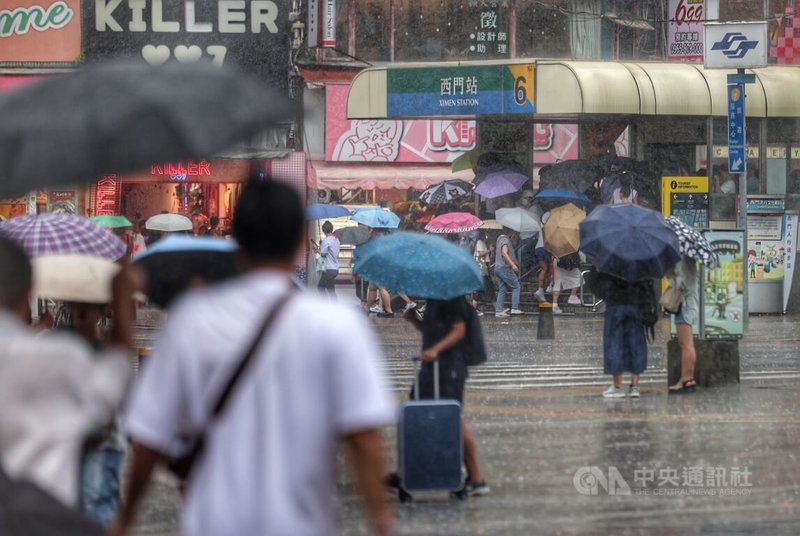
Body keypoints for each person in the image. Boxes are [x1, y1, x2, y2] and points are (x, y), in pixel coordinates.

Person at [111, 180, 395, 536]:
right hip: (301, 523)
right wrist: (381, 521)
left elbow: (150, 437)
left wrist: (127, 517)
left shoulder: (193, 319)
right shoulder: (336, 324)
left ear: (238, 243)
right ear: (298, 243)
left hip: (213, 521)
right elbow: (363, 436)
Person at [0, 237, 136, 509]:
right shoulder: (61, 357)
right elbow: (113, 382)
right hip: (43, 517)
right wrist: (121, 304)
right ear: (28, 295)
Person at [402, 295, 489, 496]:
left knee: (453, 419)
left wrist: (435, 350)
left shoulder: (452, 298)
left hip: (450, 368)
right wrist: (414, 319)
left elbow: (459, 331)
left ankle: (476, 479)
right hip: (431, 369)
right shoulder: (434, 299)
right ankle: (423, 468)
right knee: (421, 413)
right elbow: (433, 332)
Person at [54, 301, 127, 527]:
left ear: (103, 311)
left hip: (102, 444)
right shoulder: (59, 343)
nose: (80, 315)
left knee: (98, 507)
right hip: (70, 441)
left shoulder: (109, 346)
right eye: (76, 309)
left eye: (87, 309)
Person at [585, 267, 656, 399]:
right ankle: (635, 386)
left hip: (615, 303)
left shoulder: (610, 258)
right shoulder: (640, 259)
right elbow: (647, 284)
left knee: (614, 343)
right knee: (636, 344)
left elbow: (593, 278)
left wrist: (607, 293)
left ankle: (617, 386)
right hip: (635, 304)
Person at [668, 256, 699, 394]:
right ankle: (689, 379)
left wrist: (669, 275)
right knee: (687, 343)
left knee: (686, 344)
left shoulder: (682, 262)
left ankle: (686, 379)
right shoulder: (690, 262)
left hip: (684, 305)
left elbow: (680, 284)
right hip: (689, 304)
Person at [494, 227, 523, 317]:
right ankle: (514, 308)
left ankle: (499, 310)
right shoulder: (505, 240)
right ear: (511, 233)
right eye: (514, 235)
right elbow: (504, 253)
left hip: (498, 267)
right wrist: (513, 265)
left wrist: (514, 261)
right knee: (516, 286)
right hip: (504, 268)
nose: (515, 238)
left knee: (502, 289)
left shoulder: (499, 239)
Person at [311, 220, 340, 298]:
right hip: (335, 268)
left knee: (321, 287)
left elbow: (323, 254)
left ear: (323, 230)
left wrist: (316, 249)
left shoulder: (326, 240)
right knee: (330, 289)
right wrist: (321, 245)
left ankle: (327, 306)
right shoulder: (336, 239)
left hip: (328, 269)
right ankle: (331, 306)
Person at [532, 210, 552, 302]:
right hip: (545, 248)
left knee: (544, 269)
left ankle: (540, 290)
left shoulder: (541, 224)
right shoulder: (548, 226)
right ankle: (551, 285)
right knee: (553, 267)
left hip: (538, 248)